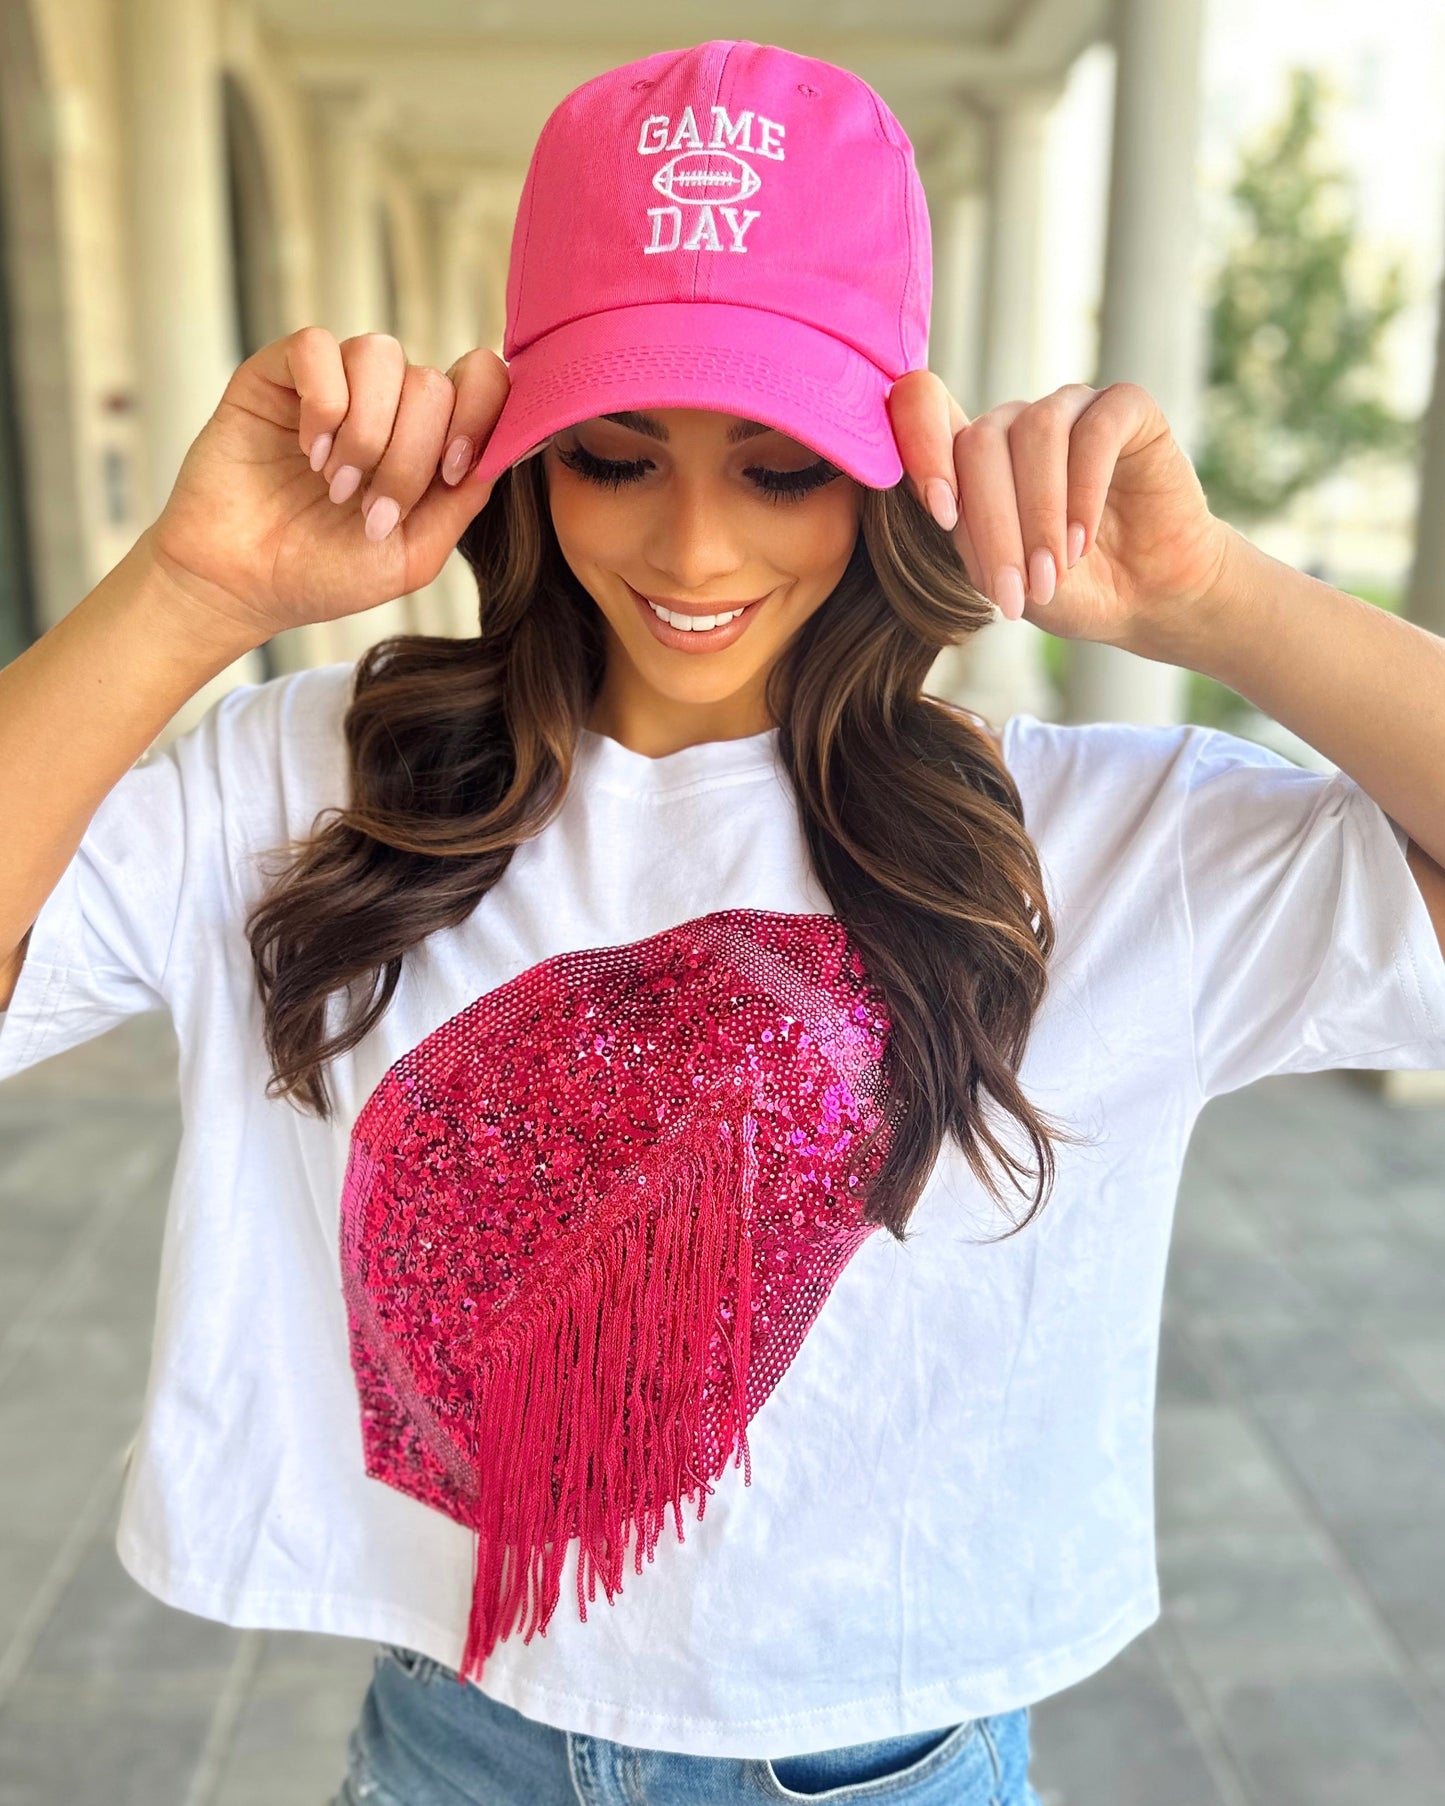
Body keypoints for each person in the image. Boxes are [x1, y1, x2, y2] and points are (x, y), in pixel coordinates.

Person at [2, 34, 1444, 1806]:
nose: (690, 549)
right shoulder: (324, 776)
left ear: (894, 452)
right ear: (521, 450)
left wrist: (1217, 599)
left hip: (882, 1771)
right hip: (455, 1751)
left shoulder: (1075, 835)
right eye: (615, 454)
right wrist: (190, 590)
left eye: (777, 467)